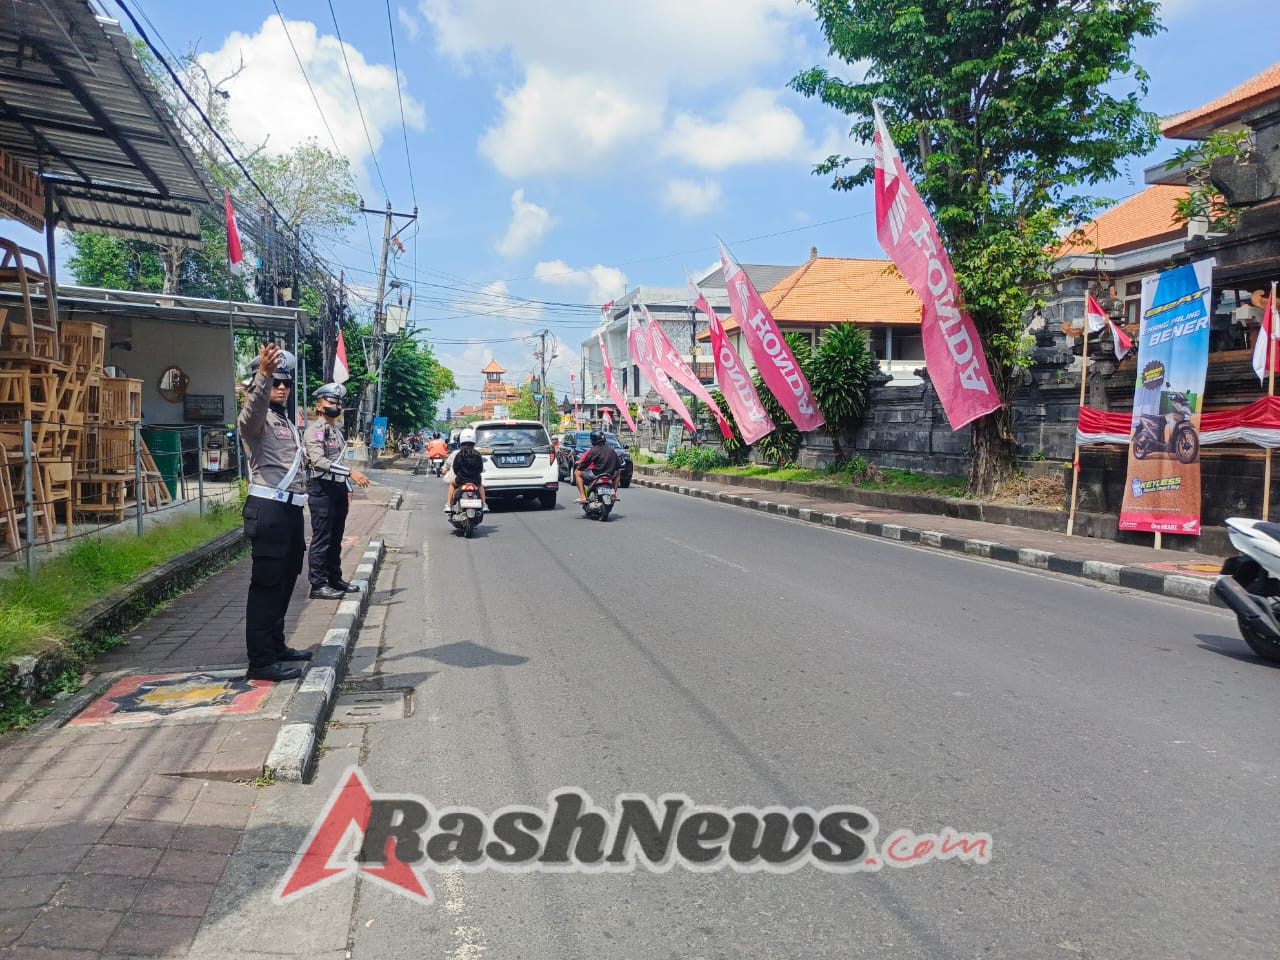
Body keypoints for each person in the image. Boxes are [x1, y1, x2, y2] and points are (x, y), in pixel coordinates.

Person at [237, 344, 312, 683]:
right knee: (267, 585)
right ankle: (261, 661)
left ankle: (276, 645)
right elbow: (252, 411)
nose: (282, 388)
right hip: (268, 508)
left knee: (286, 580)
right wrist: (262, 377)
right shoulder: (256, 418)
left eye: (286, 383)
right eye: (276, 382)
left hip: (290, 511)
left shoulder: (286, 422)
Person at [305, 383, 370, 599]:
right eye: (331, 402)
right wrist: (351, 473)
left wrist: (347, 487)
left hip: (338, 488)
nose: (336, 406)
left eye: (338, 403)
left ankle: (335, 578)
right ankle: (318, 584)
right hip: (321, 489)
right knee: (322, 538)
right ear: (319, 406)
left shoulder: (336, 432)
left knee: (336, 537)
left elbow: (339, 461)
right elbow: (319, 461)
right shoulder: (315, 431)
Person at [444, 428, 488, 512]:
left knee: (452, 484)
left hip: (461, 479)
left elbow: (455, 468)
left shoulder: (459, 454)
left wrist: (460, 474)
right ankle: (484, 504)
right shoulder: (477, 454)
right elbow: (480, 468)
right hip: (475, 480)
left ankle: (448, 504)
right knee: (481, 486)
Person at [575, 429, 620, 503]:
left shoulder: (594, 450)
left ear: (593, 440)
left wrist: (579, 467)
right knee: (618, 472)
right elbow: (618, 465)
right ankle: (614, 494)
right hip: (610, 474)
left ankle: (583, 497)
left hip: (596, 474)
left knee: (577, 473)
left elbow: (586, 463)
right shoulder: (611, 449)